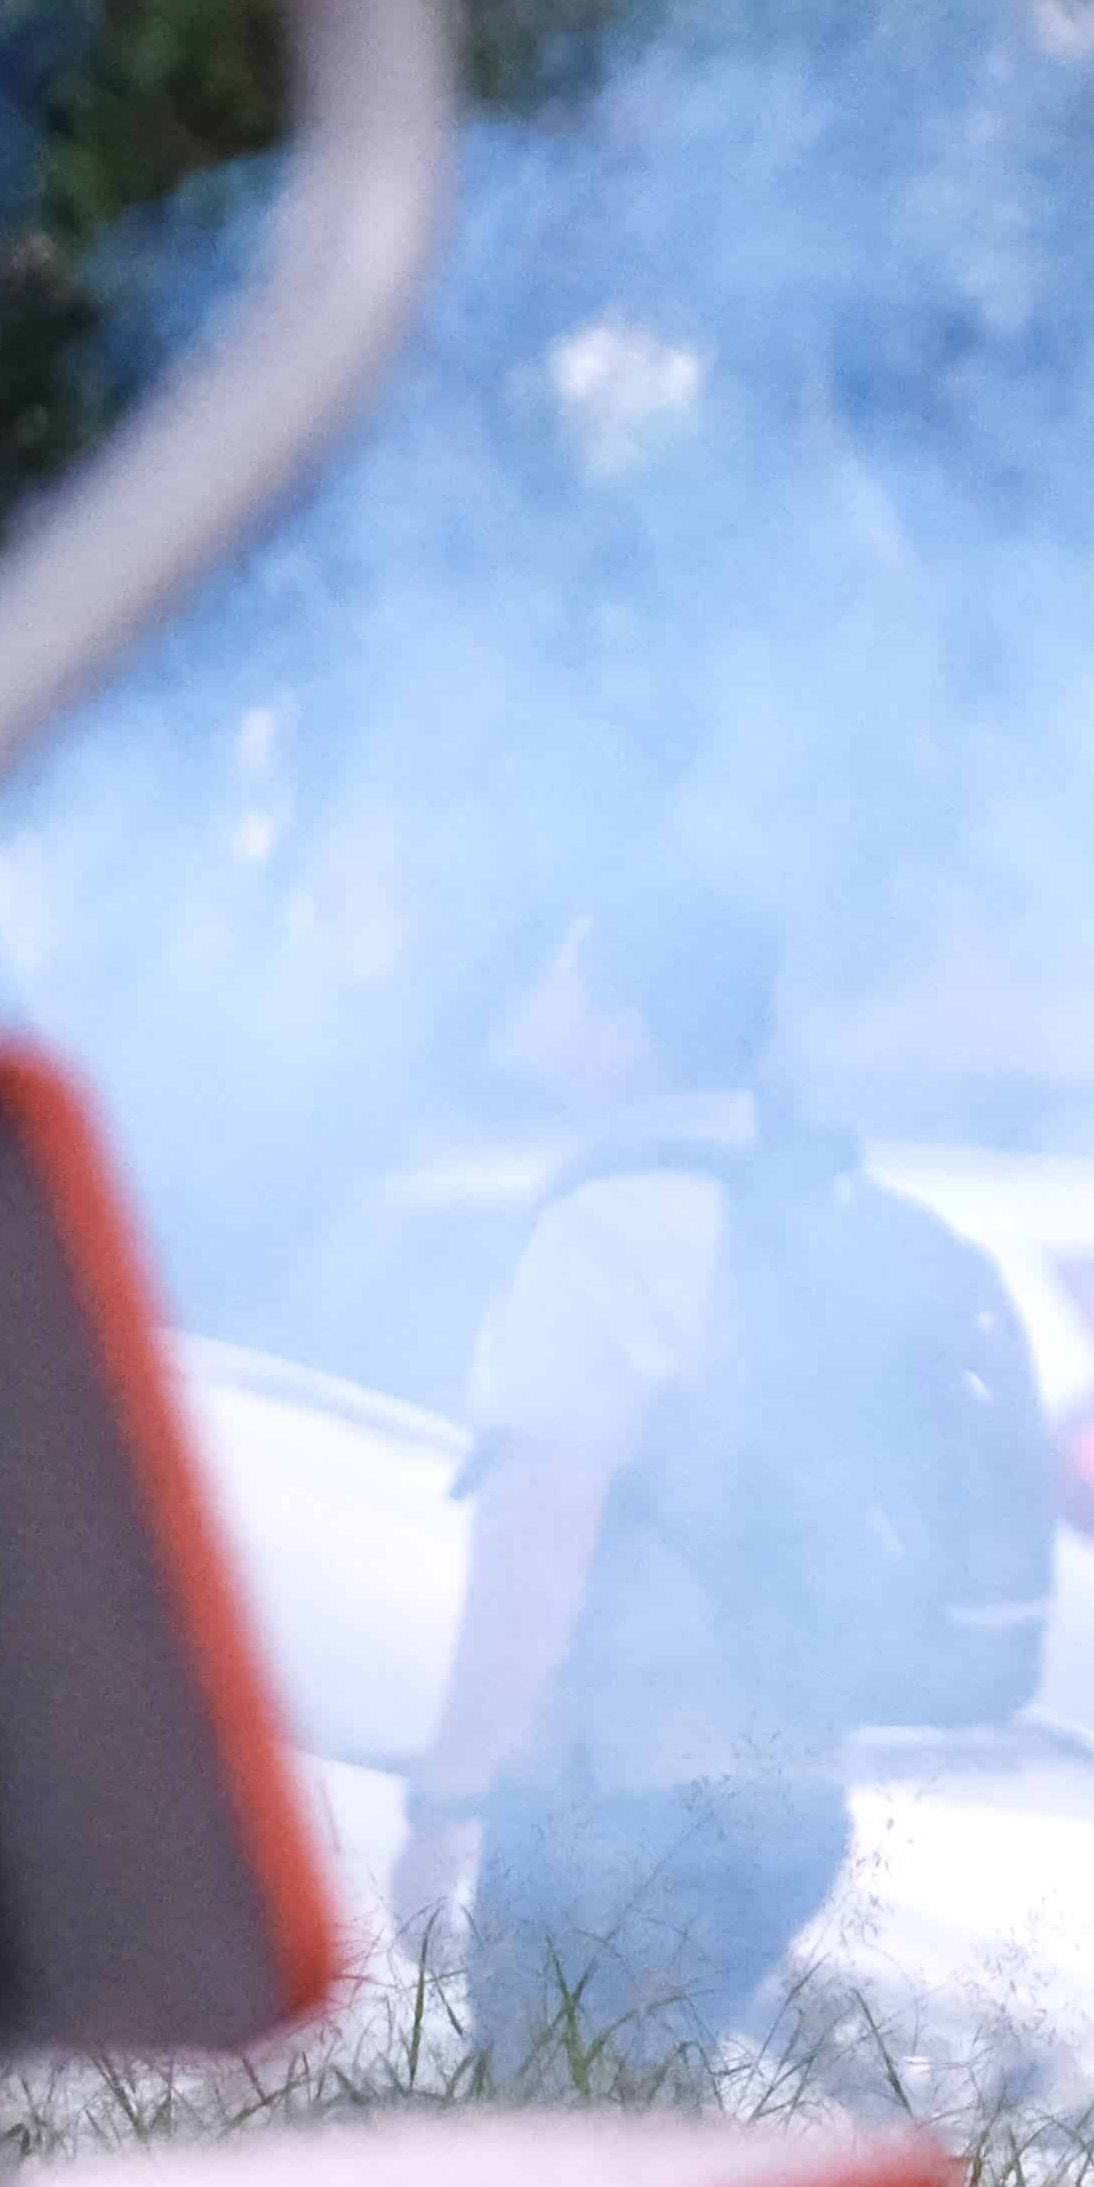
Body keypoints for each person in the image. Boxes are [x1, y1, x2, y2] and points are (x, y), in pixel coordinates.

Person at [388, 890, 854, 2078]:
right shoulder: (808, 1200)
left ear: (633, 1024)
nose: (541, 1005)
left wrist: (450, 1793)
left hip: (618, 1798)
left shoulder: (612, 1225)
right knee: (651, 2152)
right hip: (792, 1788)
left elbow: (538, 1538)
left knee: (561, 2178)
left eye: (565, 980)